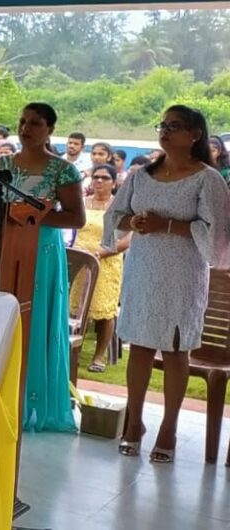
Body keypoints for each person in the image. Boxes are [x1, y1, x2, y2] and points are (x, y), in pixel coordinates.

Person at [105, 106, 230, 463]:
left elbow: (219, 236)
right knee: (140, 347)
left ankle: (169, 428)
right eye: (163, 125)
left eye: (175, 126)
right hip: (143, 270)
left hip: (182, 276)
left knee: (176, 350)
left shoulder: (208, 179)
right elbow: (116, 214)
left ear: (195, 134)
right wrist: (137, 221)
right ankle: (134, 424)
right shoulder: (142, 175)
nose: (165, 131)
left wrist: (170, 226)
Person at [0, 103, 86, 433]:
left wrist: (31, 215)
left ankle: (30, 403)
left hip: (41, 251)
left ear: (50, 129)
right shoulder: (2, 163)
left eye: (35, 123)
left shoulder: (61, 170)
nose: (26, 128)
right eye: (23, 122)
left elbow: (75, 217)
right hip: (3, 248)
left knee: (34, 320)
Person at [73, 163, 126, 373]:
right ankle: (74, 351)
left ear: (113, 182)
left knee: (105, 311)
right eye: (96, 177)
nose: (99, 181)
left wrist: (101, 253)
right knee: (78, 308)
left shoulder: (119, 207)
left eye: (104, 178)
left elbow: (127, 238)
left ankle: (99, 356)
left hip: (107, 263)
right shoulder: (82, 203)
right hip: (79, 261)